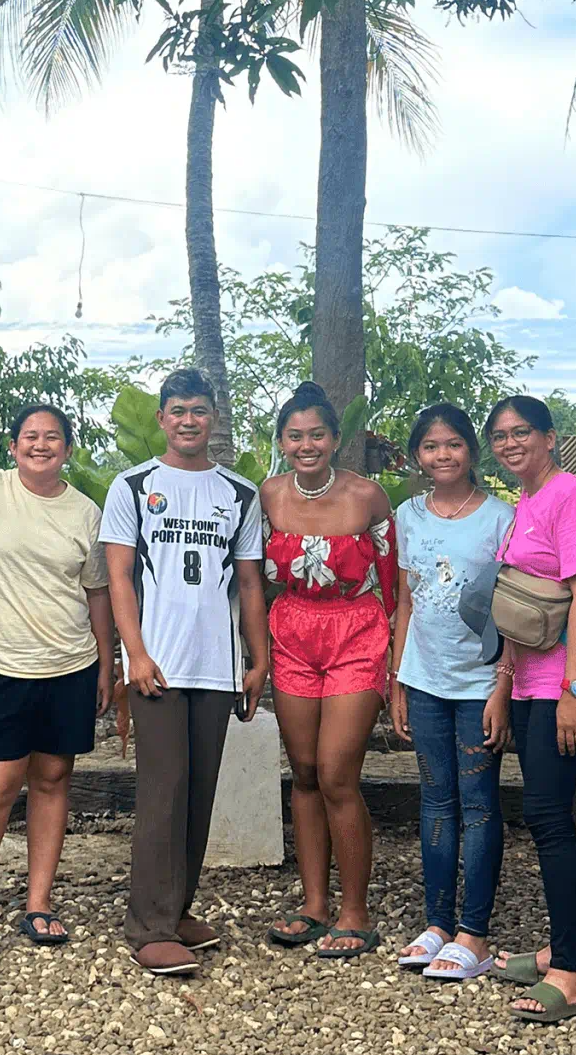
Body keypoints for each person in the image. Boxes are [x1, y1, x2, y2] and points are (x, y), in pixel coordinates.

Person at [100, 368, 269, 978]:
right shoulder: (133, 486)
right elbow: (120, 576)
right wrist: (133, 654)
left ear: (213, 417)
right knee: (163, 789)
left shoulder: (239, 493)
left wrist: (258, 658)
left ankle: (176, 909)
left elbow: (249, 582)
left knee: (198, 792)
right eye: (178, 410)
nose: (189, 420)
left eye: (199, 410)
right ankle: (147, 925)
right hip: (158, 664)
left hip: (216, 665)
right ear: (162, 419)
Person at [0, 403, 112, 949]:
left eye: (52, 437)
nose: (40, 445)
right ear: (13, 445)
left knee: (52, 780)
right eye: (30, 436)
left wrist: (107, 663)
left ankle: (38, 901)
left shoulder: (86, 512)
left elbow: (96, 592)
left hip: (69, 662)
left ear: (68, 448)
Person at [481, 395, 576, 1025]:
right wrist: (502, 684)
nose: (511, 443)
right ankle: (556, 948)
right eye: (500, 435)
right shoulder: (524, 505)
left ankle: (571, 970)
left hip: (569, 680)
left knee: (548, 815)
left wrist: (575, 691)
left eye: (522, 432)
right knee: (541, 813)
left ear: (551, 437)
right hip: (531, 678)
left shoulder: (571, 498)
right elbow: (516, 605)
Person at [261, 383, 397, 960]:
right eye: (295, 435)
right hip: (292, 632)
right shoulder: (268, 495)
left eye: (317, 434)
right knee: (307, 771)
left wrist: (395, 653)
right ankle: (314, 902)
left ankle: (355, 910)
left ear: (336, 439)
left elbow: (392, 579)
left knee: (339, 772)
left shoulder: (368, 497)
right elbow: (254, 575)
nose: (307, 444)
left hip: (357, 632)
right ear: (283, 442)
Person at [389, 402, 510, 981]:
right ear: (418, 455)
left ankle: (474, 934)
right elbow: (406, 601)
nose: (443, 455)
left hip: (480, 682)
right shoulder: (407, 515)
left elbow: (513, 609)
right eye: (432, 446)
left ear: (471, 451)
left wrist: (502, 688)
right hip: (425, 679)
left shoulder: (500, 518)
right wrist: (397, 680)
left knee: (480, 805)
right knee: (435, 802)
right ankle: (437, 923)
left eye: (454, 444)